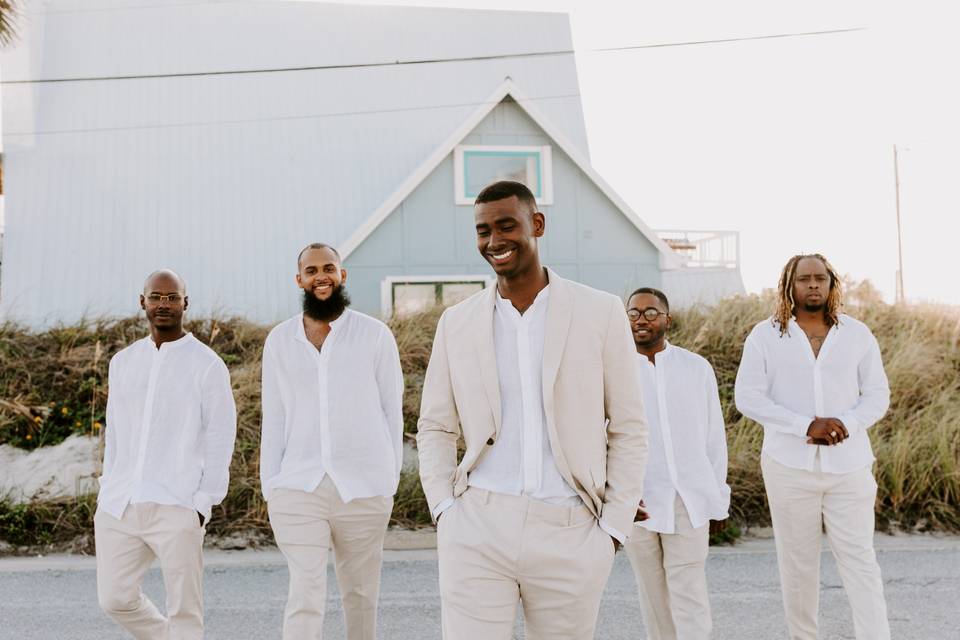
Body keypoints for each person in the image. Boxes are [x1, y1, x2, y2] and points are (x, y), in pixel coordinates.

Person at [416, 180, 648, 640]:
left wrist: (613, 527)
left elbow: (629, 426)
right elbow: (436, 425)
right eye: (483, 231)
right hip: (476, 525)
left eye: (506, 226)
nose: (494, 241)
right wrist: (445, 509)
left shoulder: (599, 312)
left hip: (570, 526)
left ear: (536, 225)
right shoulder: (456, 322)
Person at [735, 253, 891, 640]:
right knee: (798, 566)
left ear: (832, 283)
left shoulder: (857, 334)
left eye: (820, 278)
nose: (813, 284)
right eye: (804, 278)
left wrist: (845, 425)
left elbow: (877, 395)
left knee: (860, 561)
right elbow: (748, 397)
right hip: (789, 466)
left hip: (850, 467)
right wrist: (806, 424)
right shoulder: (765, 335)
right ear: (790, 285)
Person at [260, 243, 404, 640]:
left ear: (342, 274)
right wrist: (270, 485)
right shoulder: (279, 340)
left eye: (328, 268)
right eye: (311, 270)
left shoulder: (375, 335)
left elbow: (393, 410)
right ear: (300, 280)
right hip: (297, 486)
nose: (320, 276)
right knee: (305, 592)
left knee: (360, 594)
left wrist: (388, 479)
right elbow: (274, 416)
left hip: (364, 487)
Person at [95, 269, 237, 639]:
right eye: (156, 296)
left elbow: (222, 435)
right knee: (114, 598)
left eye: (172, 297)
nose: (163, 304)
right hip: (120, 504)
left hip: (178, 502)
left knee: (185, 613)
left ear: (185, 304)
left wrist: (203, 502)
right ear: (142, 301)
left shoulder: (207, 364)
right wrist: (107, 485)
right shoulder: (122, 362)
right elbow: (116, 432)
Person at [623, 287, 729, 640]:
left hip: (689, 499)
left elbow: (714, 437)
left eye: (651, 312)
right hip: (636, 503)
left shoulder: (696, 368)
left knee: (690, 594)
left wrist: (717, 500)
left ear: (667, 319)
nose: (642, 319)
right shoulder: (614, 371)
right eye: (634, 312)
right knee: (652, 597)